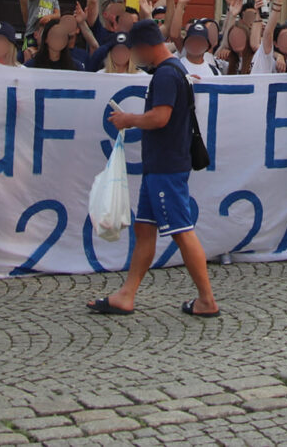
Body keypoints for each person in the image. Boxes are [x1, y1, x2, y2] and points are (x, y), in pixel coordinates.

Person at [89, 20, 219, 318]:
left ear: (146, 46)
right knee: (144, 229)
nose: (135, 57)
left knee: (182, 231)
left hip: (166, 166)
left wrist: (129, 119)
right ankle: (126, 295)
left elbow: (160, 118)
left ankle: (207, 301)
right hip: (161, 164)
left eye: (135, 51)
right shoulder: (174, 70)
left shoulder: (165, 75)